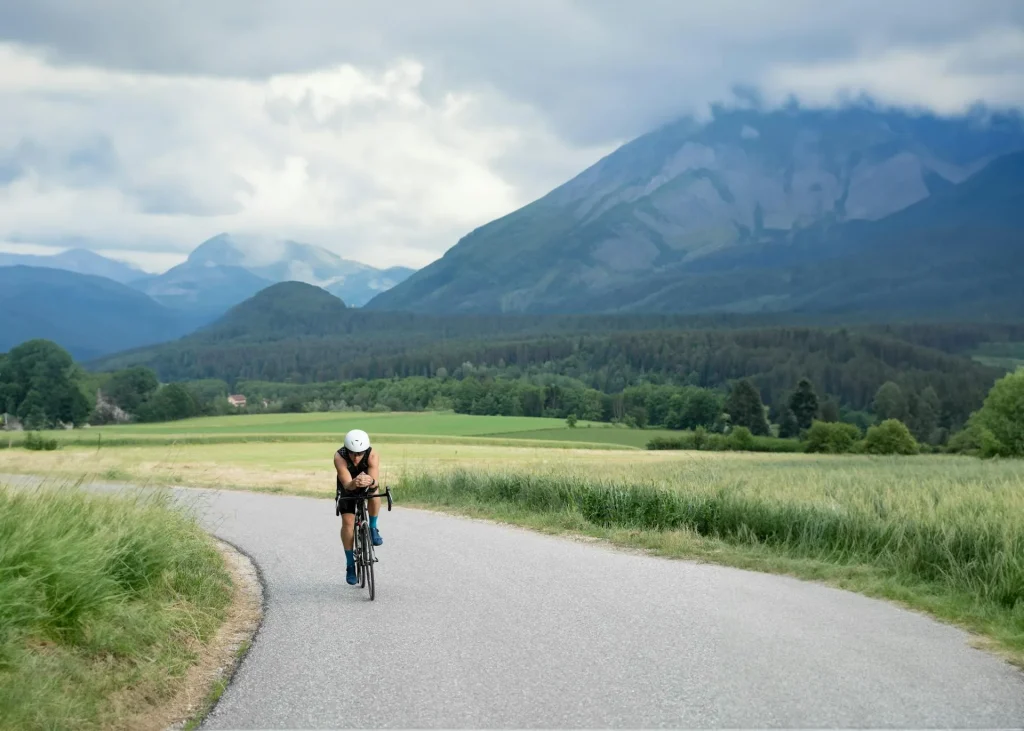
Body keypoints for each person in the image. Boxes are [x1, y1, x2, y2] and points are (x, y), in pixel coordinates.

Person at [334, 428, 383, 586]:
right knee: (348, 522)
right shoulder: (339, 456)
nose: (356, 458)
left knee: (375, 491)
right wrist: (354, 483)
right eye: (352, 453)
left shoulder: (372, 454)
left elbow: (375, 480)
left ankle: (373, 528)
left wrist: (370, 481)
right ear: (346, 450)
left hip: (367, 482)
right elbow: (347, 483)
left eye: (360, 453)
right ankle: (350, 565)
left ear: (366, 451)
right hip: (347, 485)